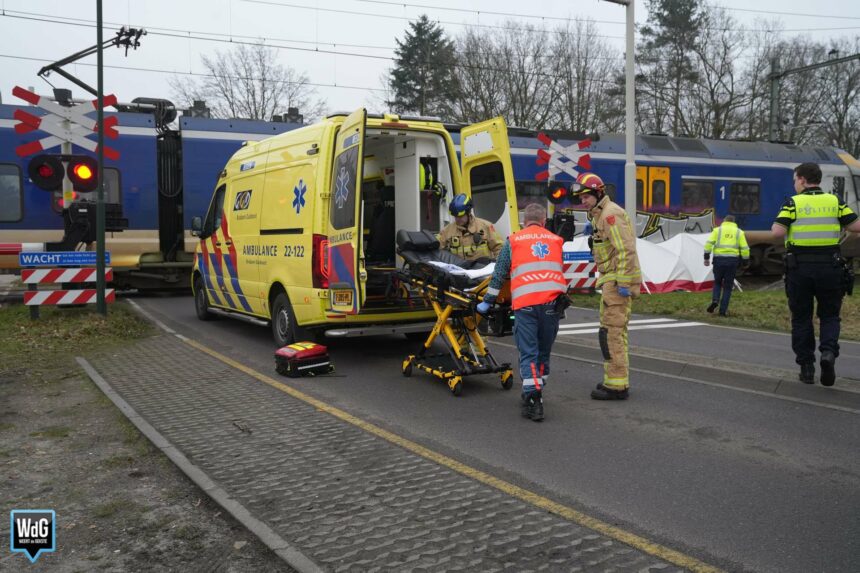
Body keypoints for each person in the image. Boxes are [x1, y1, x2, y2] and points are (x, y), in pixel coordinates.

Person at [771, 162, 860, 386]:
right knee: (830, 316)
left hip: (800, 268)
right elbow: (856, 226)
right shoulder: (835, 201)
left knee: (801, 318)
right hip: (829, 268)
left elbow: (777, 231)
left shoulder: (793, 203)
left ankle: (807, 367)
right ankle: (828, 353)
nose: (794, 185)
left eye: (794, 180)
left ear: (802, 179)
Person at [477, 203, 566, 421]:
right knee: (543, 352)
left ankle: (533, 400)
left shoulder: (514, 241)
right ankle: (537, 388)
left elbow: (499, 274)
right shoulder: (555, 241)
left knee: (529, 353)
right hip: (552, 307)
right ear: (544, 221)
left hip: (525, 307)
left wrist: (488, 301)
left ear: (523, 222)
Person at [572, 172, 642, 400]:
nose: (582, 201)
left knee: (612, 334)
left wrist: (623, 283)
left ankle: (617, 387)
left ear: (598, 193)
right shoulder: (599, 216)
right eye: (580, 198)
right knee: (610, 333)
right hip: (610, 281)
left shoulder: (611, 215)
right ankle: (614, 380)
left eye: (585, 197)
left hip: (616, 282)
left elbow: (626, 250)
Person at [704, 215, 750, 316]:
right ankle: (722, 311)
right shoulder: (739, 232)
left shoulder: (717, 230)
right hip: (732, 262)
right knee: (728, 287)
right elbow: (745, 248)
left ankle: (715, 300)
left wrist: (706, 257)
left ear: (724, 221)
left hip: (719, 260)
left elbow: (708, 244)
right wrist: (745, 262)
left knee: (717, 283)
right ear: (734, 222)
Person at [438, 194, 504, 261]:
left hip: (483, 269)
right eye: (455, 216)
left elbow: (499, 247)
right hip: (459, 270)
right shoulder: (447, 231)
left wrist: (499, 267)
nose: (457, 219)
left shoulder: (485, 226)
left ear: (468, 213)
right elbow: (437, 249)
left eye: (461, 216)